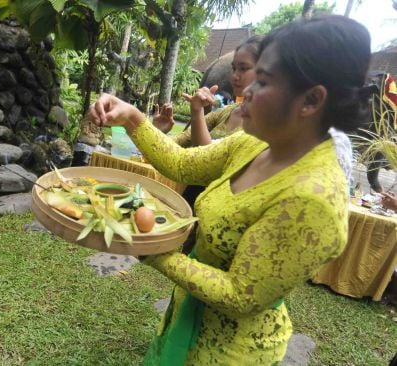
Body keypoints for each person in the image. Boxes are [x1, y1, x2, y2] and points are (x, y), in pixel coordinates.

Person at [87, 15, 370, 365]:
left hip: (232, 351)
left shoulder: (312, 200)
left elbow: (241, 295)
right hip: (188, 315)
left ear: (311, 100)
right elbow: (182, 163)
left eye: (263, 81)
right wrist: (131, 118)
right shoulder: (255, 144)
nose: (246, 89)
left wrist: (145, 244)